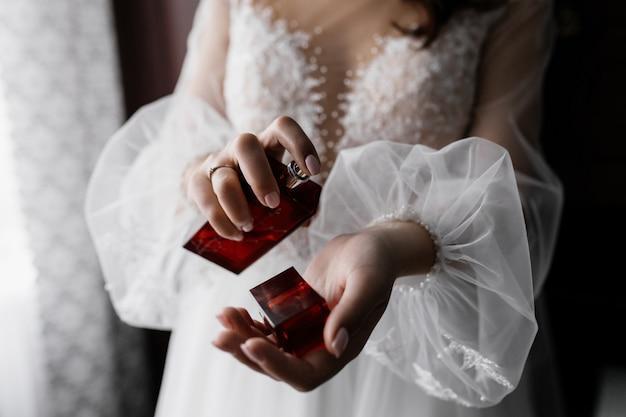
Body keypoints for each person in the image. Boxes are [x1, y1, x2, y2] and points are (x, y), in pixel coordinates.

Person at [85, 0, 563, 415]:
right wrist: (211, 174)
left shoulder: (509, 7)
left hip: (413, 325)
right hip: (245, 314)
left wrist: (393, 247)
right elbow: (184, 135)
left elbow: (508, 196)